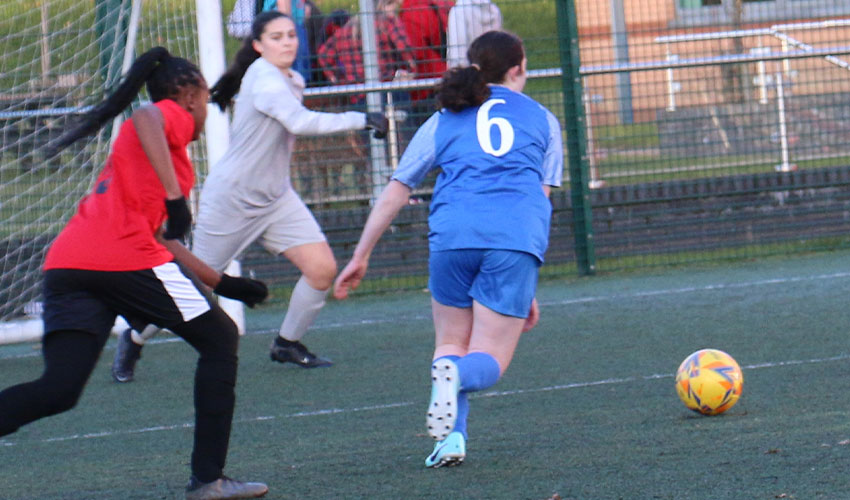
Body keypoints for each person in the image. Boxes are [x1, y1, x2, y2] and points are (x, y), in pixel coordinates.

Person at [0, 47, 269, 499]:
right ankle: (209, 480)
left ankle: (209, 479)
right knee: (221, 340)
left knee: (59, 389)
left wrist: (223, 283)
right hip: (121, 260)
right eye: (203, 99)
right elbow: (144, 116)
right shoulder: (171, 116)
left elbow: (162, 239)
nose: (205, 110)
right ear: (188, 95)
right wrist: (174, 197)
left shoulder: (163, 155)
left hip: (70, 264)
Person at [111, 11, 388, 379]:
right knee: (192, 287)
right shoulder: (264, 79)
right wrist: (362, 118)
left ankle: (287, 344)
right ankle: (134, 337)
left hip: (276, 198)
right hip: (233, 199)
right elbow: (300, 122)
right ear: (258, 46)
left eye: (291, 35)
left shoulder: (292, 78)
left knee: (322, 270)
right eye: (276, 37)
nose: (287, 42)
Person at [333, 30, 564, 468]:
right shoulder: (543, 118)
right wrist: (525, 279)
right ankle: (457, 383)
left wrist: (360, 255)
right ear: (519, 68)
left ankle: (452, 439)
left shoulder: (444, 117)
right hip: (514, 239)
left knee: (451, 342)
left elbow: (398, 189)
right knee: (488, 360)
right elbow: (540, 199)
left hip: (452, 236)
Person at [399, 0, 454, 118]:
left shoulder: (413, 11)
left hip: (425, 82)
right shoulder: (445, 5)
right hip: (446, 75)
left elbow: (415, 52)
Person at [446, 0, 501, 69]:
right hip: (492, 70)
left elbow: (458, 47)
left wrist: (457, 72)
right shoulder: (494, 10)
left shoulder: (458, 11)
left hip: (468, 73)